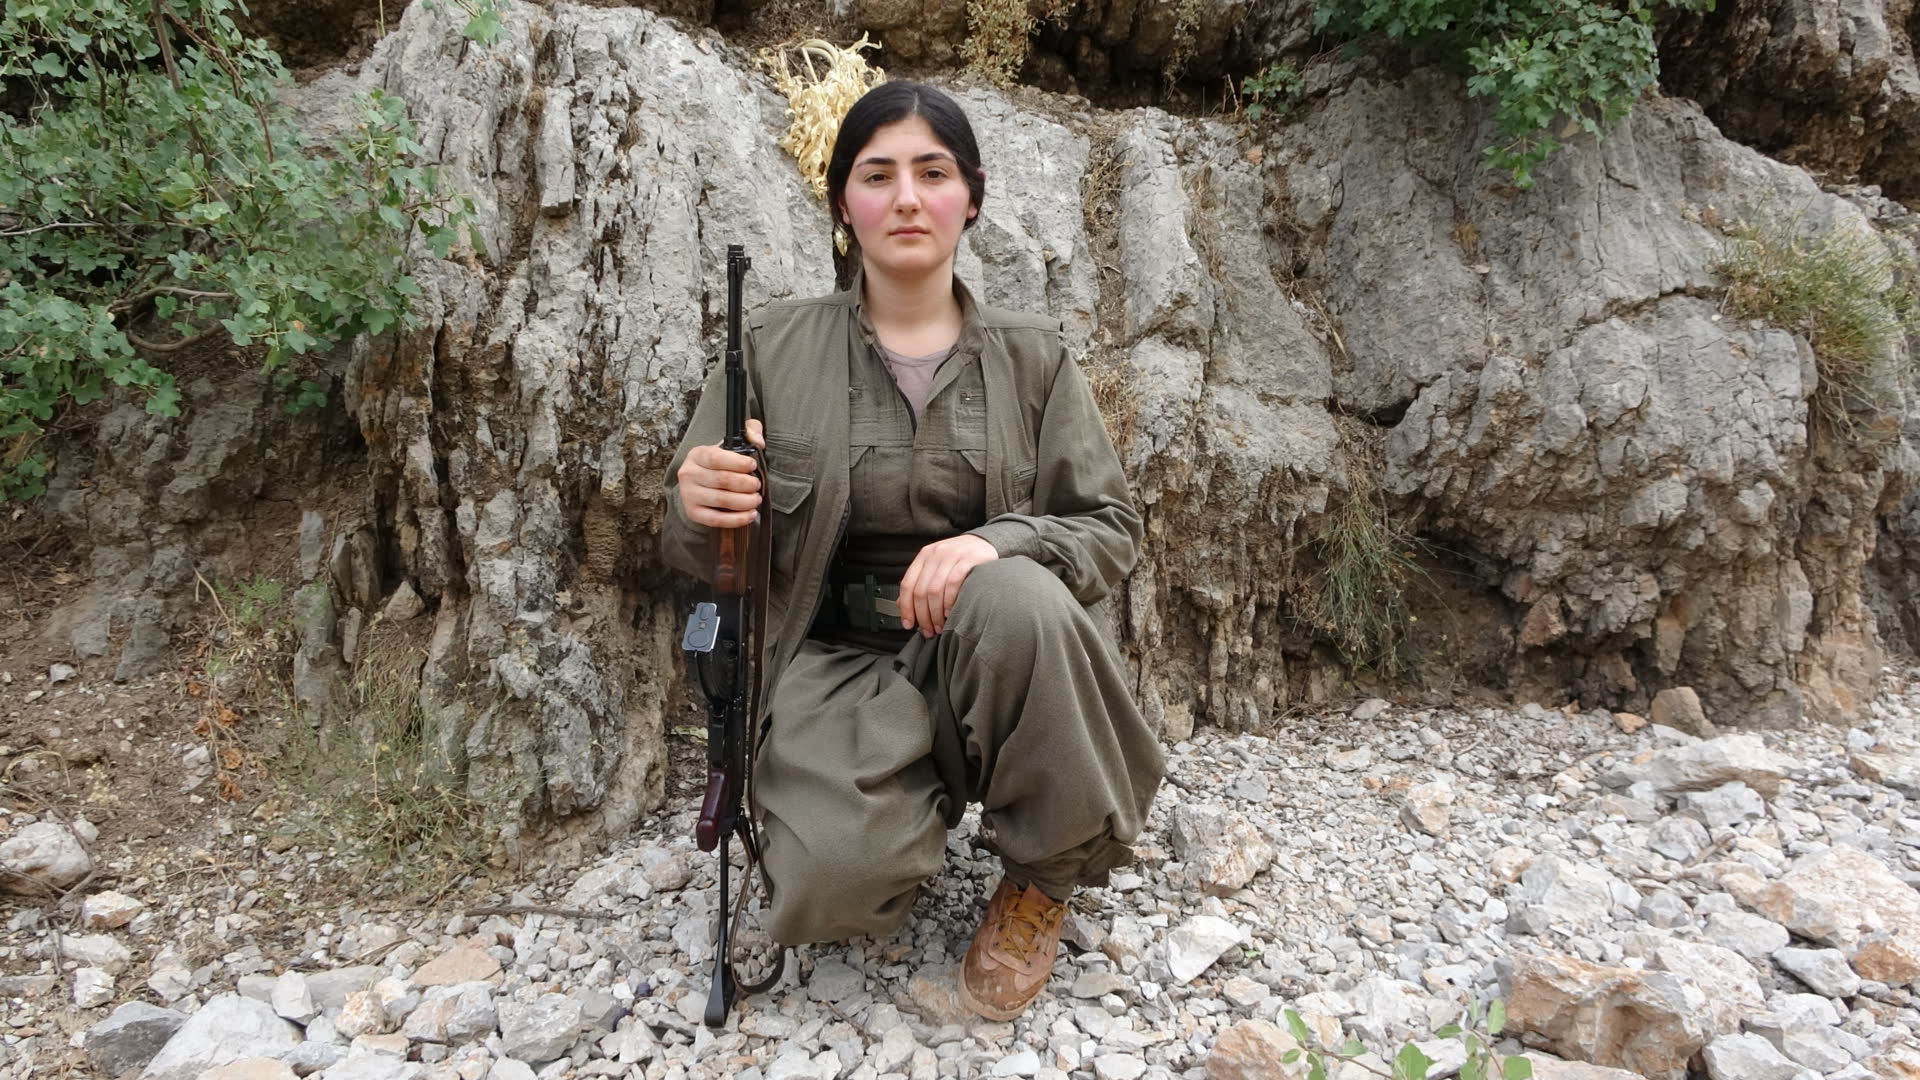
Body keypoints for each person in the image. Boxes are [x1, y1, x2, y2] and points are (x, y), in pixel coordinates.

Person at [660, 80, 1164, 1021]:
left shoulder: (1036, 358)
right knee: (827, 894)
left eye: (933, 174)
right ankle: (882, 808)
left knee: (1017, 596)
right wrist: (698, 503)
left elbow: (1109, 528)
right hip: (830, 666)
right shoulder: (770, 348)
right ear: (842, 204)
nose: (905, 198)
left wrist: (996, 542)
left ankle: (1042, 879)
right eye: (876, 175)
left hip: (988, 651)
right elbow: (690, 543)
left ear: (971, 198)